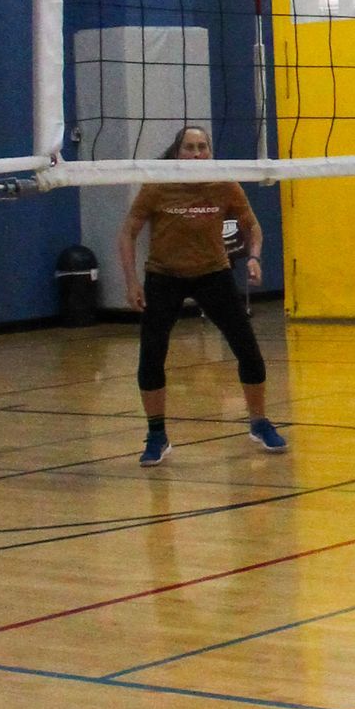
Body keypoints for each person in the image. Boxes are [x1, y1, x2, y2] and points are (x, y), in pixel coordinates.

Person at [118, 125, 285, 467]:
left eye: (202, 148)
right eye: (189, 148)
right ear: (177, 153)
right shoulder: (158, 184)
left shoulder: (223, 182)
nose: (196, 154)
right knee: (151, 356)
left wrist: (253, 257)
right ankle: (156, 434)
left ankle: (259, 422)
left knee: (247, 349)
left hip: (213, 274)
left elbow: (252, 225)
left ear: (210, 152)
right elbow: (128, 232)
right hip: (164, 276)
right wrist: (132, 282)